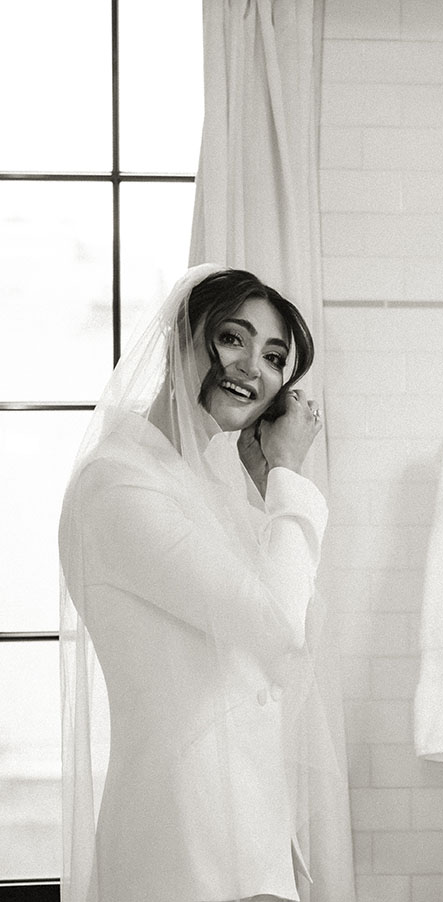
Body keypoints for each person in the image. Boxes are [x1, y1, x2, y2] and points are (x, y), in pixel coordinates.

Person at [58, 264, 341, 902]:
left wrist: (263, 486)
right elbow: (276, 621)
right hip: (182, 829)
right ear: (180, 339)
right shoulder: (120, 483)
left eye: (274, 357)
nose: (251, 367)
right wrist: (288, 473)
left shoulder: (203, 487)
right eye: (232, 338)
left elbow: (265, 666)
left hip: (243, 823)